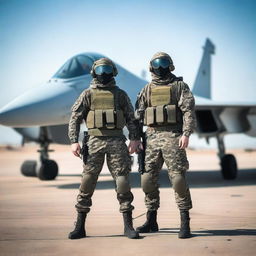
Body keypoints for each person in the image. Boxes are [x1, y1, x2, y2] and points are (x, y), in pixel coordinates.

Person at [68, 57, 141, 239]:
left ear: (113, 72)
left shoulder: (120, 94)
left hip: (117, 141)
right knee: (87, 182)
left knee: (122, 182)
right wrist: (73, 140)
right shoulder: (87, 94)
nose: (104, 74)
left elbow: (132, 119)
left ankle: (128, 226)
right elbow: (75, 118)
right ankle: (80, 226)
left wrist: (134, 139)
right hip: (94, 142)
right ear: (94, 72)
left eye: (107, 70)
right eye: (100, 70)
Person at [135, 52, 196, 238]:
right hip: (151, 139)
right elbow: (138, 115)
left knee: (178, 180)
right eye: (157, 64)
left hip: (173, 137)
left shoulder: (179, 86)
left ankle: (185, 223)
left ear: (170, 66)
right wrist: (136, 138)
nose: (160, 67)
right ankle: (151, 220)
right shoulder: (146, 89)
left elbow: (188, 111)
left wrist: (186, 134)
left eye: (164, 63)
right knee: (147, 181)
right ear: (151, 67)